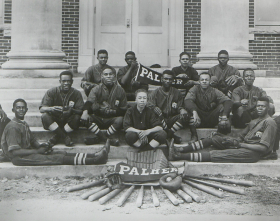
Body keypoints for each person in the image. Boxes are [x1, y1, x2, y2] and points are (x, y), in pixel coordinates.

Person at [1, 99, 109, 166]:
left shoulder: (23, 123)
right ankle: (95, 160)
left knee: (60, 153)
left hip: (28, 153)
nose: (20, 110)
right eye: (18, 108)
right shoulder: (13, 127)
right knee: (56, 158)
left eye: (23, 108)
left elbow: (32, 140)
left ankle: (94, 154)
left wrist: (41, 146)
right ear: (13, 110)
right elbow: (14, 152)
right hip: (20, 158)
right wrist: (37, 151)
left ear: (26, 110)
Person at [169, 97, 277, 163]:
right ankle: (181, 149)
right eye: (258, 106)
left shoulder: (269, 122)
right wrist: (228, 139)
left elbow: (263, 148)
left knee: (218, 154)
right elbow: (241, 136)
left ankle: (178, 156)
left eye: (263, 106)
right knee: (214, 138)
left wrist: (239, 145)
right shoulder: (254, 121)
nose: (259, 108)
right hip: (243, 144)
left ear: (268, 108)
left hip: (252, 153)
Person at [81, 67, 127, 146]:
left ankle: (99, 138)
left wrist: (112, 111)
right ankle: (106, 139)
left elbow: (124, 109)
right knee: (85, 118)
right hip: (98, 118)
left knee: (121, 120)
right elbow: (89, 102)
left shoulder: (120, 90)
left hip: (111, 119)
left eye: (110, 74)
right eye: (106, 74)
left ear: (114, 77)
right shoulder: (96, 89)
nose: (108, 76)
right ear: (102, 76)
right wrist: (85, 112)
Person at [147, 70, 197, 144]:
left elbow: (180, 106)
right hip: (160, 120)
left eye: (170, 79)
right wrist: (154, 108)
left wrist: (182, 110)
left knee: (187, 114)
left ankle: (193, 135)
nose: (167, 81)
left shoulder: (177, 92)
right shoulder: (155, 93)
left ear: (173, 80)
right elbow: (150, 105)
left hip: (172, 119)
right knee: (155, 115)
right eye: (165, 79)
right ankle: (171, 136)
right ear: (161, 79)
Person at [40, 71, 84, 147]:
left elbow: (80, 110)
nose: (66, 83)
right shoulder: (52, 91)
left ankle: (56, 137)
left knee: (77, 118)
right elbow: (42, 109)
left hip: (68, 121)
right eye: (64, 81)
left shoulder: (77, 93)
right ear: (60, 81)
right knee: (45, 116)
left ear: (72, 82)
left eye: (68, 81)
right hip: (55, 120)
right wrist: (51, 108)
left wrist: (72, 110)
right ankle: (65, 137)